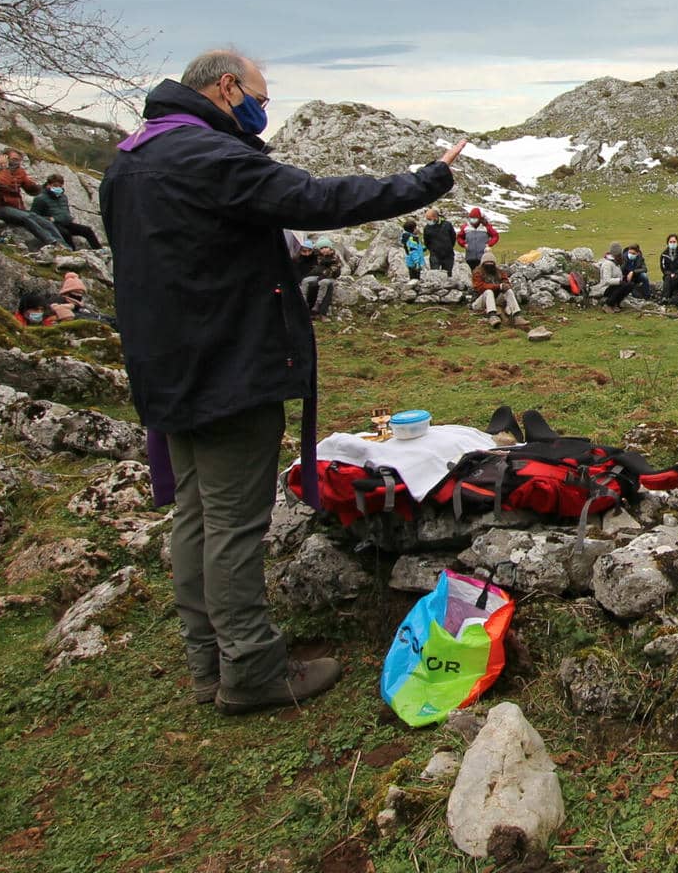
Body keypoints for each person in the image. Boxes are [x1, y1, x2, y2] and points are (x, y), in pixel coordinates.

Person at [101, 48, 461, 714]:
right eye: (259, 97)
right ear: (227, 87)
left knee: (196, 515)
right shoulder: (209, 156)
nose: (262, 113)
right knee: (235, 522)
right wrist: (425, 179)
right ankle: (252, 671)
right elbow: (316, 198)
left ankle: (207, 663)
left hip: (167, 366)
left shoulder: (130, 159)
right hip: (227, 365)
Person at [0, 149, 68, 248]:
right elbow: (2, 183)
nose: (17, 162)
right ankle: (52, 242)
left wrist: (46, 187)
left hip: (16, 208)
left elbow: (30, 189)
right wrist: (4, 168)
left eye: (19, 160)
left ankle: (64, 247)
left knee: (44, 222)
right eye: (14, 159)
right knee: (26, 218)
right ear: (4, 157)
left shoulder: (19, 171)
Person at [30, 173, 104, 249]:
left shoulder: (63, 197)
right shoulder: (40, 199)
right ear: (48, 185)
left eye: (60, 186)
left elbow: (65, 212)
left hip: (65, 222)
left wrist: (67, 217)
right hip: (52, 225)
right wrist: (49, 219)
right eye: (55, 186)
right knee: (65, 233)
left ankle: (99, 250)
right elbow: (34, 216)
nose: (58, 188)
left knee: (87, 230)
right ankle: (73, 252)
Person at [470, 249, 524, 327]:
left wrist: (505, 285)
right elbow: (480, 287)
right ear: (482, 264)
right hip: (480, 301)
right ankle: (492, 316)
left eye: (491, 263)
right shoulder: (477, 273)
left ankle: (517, 315)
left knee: (508, 291)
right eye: (487, 263)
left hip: (496, 300)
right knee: (488, 291)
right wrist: (499, 286)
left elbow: (505, 281)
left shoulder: (499, 272)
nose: (489, 265)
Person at [301, 238, 343, 318]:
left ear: (330, 247)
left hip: (330, 277)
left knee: (323, 282)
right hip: (319, 276)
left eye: (325, 247)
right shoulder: (319, 256)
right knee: (305, 280)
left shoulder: (335, 257)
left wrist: (323, 275)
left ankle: (317, 304)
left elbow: (334, 270)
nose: (324, 250)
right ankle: (303, 302)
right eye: (321, 248)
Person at [422, 208, 456, 273]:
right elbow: (426, 242)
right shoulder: (427, 228)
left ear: (435, 217)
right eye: (427, 219)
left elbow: (453, 237)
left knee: (448, 275)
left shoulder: (447, 225)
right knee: (435, 274)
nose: (428, 221)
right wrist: (432, 249)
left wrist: (449, 247)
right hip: (434, 255)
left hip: (448, 255)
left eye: (429, 219)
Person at [660, 234, 678, 301]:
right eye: (671, 242)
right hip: (669, 275)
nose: (672, 243)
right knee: (667, 278)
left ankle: (667, 296)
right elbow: (663, 268)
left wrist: (676, 273)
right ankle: (666, 297)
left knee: (672, 279)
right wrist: (670, 273)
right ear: (668, 243)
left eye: (674, 242)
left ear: (677, 242)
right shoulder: (664, 254)